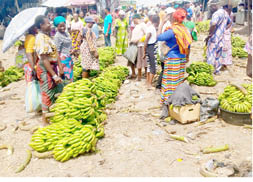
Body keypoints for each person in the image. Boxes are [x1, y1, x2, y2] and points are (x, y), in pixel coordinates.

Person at [157, 8, 192, 105]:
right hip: (181, 59)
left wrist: (161, 23)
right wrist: (187, 57)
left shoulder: (172, 31)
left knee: (170, 82)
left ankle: (170, 101)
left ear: (174, 18)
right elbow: (188, 45)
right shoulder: (185, 30)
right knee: (179, 81)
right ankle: (178, 99)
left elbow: (159, 37)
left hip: (172, 59)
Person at [34, 15, 64, 125]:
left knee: (57, 90)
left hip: (53, 67)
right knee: (47, 92)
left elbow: (55, 53)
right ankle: (45, 120)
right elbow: (44, 59)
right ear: (41, 25)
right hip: (46, 69)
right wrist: (54, 75)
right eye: (47, 23)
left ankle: (55, 114)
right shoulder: (40, 38)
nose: (50, 24)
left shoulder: (47, 36)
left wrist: (60, 67)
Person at [205, 1, 231, 74]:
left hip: (214, 37)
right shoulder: (225, 12)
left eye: (211, 6)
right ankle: (217, 70)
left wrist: (210, 34)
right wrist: (223, 29)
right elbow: (230, 22)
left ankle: (209, 70)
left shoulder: (216, 14)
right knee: (219, 55)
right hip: (221, 38)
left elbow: (213, 24)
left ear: (215, 5)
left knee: (211, 53)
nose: (211, 8)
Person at [156, 7, 176, 89]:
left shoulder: (166, 24)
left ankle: (160, 84)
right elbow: (160, 37)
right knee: (165, 69)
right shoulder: (168, 25)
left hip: (164, 49)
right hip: (166, 50)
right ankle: (160, 85)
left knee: (164, 68)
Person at [54, 16, 74, 82]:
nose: (62, 28)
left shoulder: (67, 33)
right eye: (60, 26)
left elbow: (69, 45)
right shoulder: (57, 36)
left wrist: (72, 50)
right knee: (66, 80)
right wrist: (60, 67)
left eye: (63, 25)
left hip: (69, 59)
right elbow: (57, 52)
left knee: (70, 78)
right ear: (57, 27)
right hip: (63, 61)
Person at [128, 14, 147, 81]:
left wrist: (138, 40)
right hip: (133, 45)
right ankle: (133, 73)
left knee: (141, 61)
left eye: (133, 20)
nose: (133, 21)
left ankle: (140, 75)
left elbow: (147, 35)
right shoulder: (137, 26)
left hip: (140, 45)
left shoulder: (143, 25)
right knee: (131, 60)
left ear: (136, 18)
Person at [144, 15, 159, 89]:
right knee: (153, 67)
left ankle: (148, 82)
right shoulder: (152, 28)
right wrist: (144, 50)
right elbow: (146, 39)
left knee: (150, 66)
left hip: (149, 48)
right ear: (157, 22)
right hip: (151, 47)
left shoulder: (150, 27)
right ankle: (149, 85)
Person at [220, 5, 233, 69]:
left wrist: (224, 28)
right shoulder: (223, 14)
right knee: (223, 49)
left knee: (225, 49)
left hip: (226, 34)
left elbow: (230, 23)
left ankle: (224, 62)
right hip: (225, 34)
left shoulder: (228, 15)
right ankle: (222, 62)